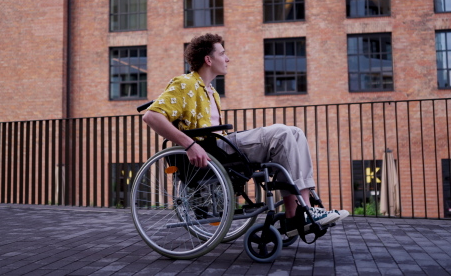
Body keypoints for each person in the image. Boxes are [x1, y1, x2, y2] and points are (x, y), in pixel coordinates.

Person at [142, 33, 349, 236]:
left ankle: (300, 211)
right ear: (208, 59)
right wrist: (189, 145)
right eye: (222, 53)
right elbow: (151, 117)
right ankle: (297, 215)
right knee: (283, 134)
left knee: (295, 132)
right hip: (212, 149)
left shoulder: (211, 91)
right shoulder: (185, 83)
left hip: (220, 147)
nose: (227, 58)